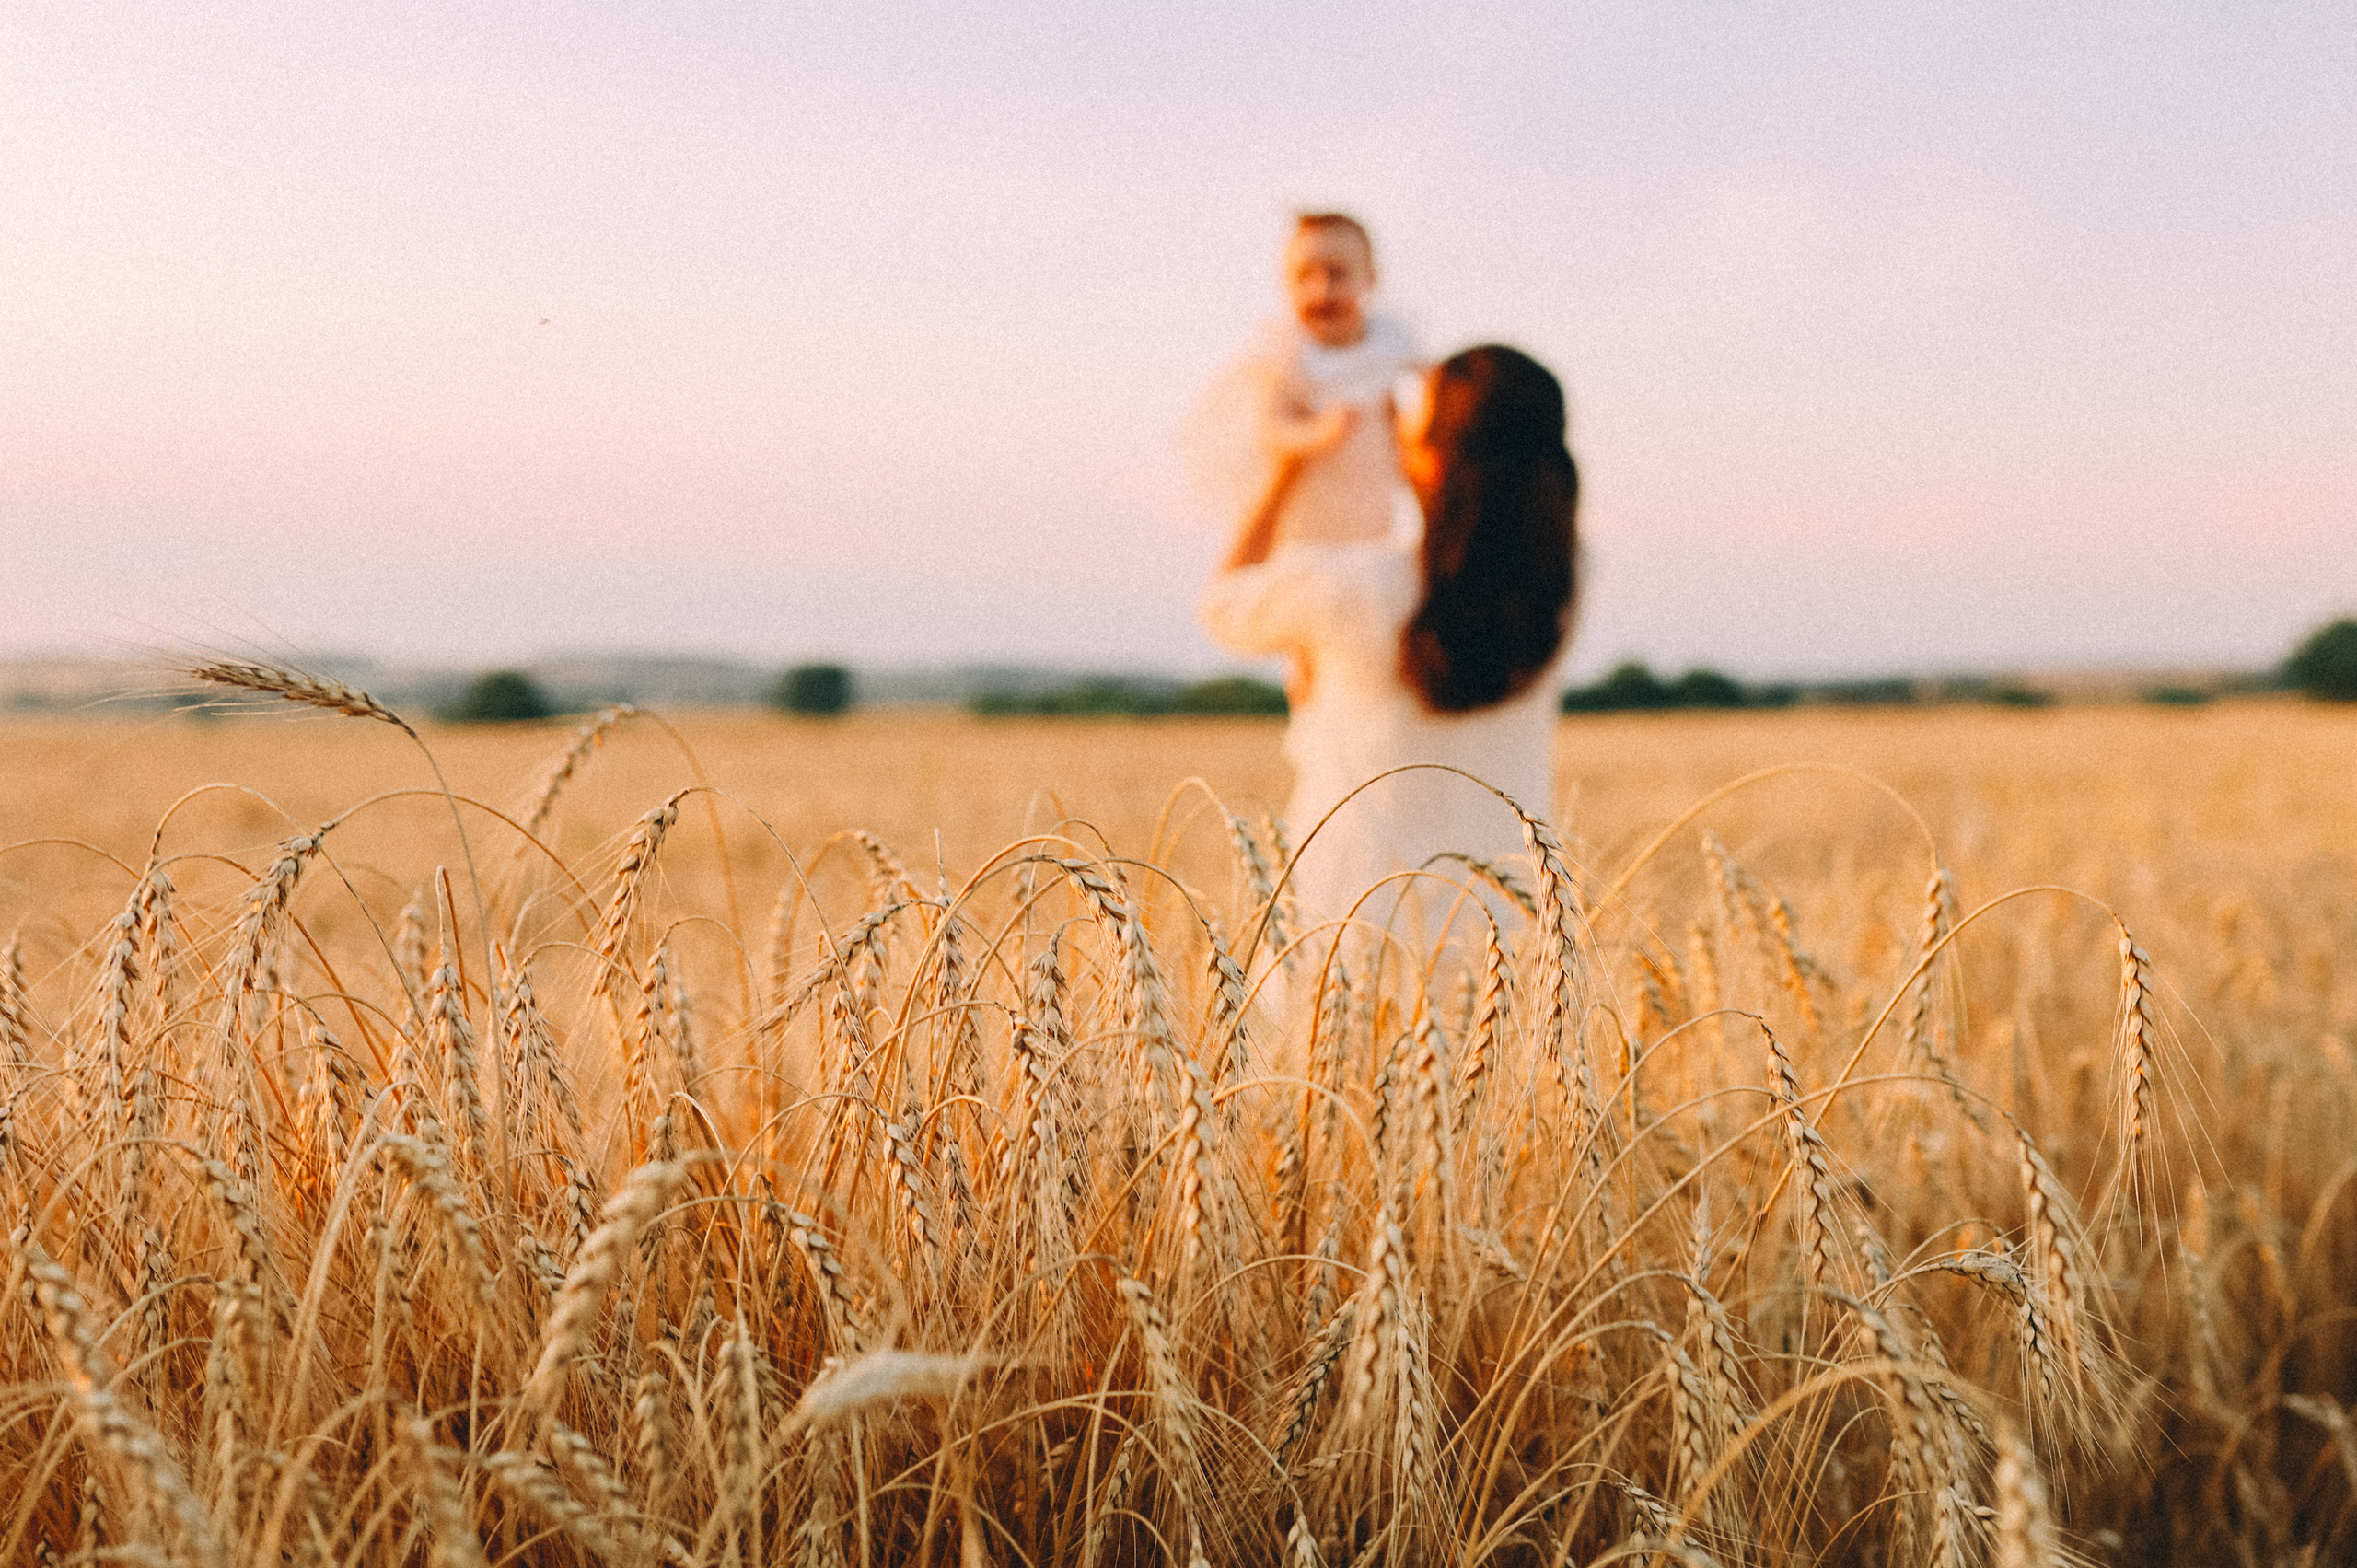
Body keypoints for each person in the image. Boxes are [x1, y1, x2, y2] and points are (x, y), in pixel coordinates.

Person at [1197, 344, 1579, 935]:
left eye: (1410, 419)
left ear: (1432, 458)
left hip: (1342, 929)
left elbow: (1223, 605)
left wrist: (1287, 468)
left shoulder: (1355, 587)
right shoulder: (1567, 586)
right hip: (1504, 935)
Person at [1184, 214, 1422, 559]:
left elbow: (1425, 381)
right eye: (1304, 276)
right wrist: (1319, 432)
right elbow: (1271, 430)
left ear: (1370, 278)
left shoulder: (1387, 339)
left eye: (1337, 273)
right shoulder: (1289, 352)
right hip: (1306, 504)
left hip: (1369, 492)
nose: (1321, 290)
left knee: (1366, 560)